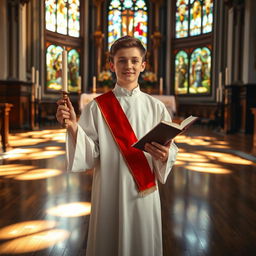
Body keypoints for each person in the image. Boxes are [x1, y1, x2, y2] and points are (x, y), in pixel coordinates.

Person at [56, 35, 178, 256]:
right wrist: (73, 126)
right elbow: (90, 153)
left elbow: (170, 150)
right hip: (110, 189)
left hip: (144, 191)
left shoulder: (157, 107)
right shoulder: (97, 107)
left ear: (143, 65)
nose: (128, 66)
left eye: (134, 60)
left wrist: (165, 154)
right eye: (121, 60)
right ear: (111, 65)